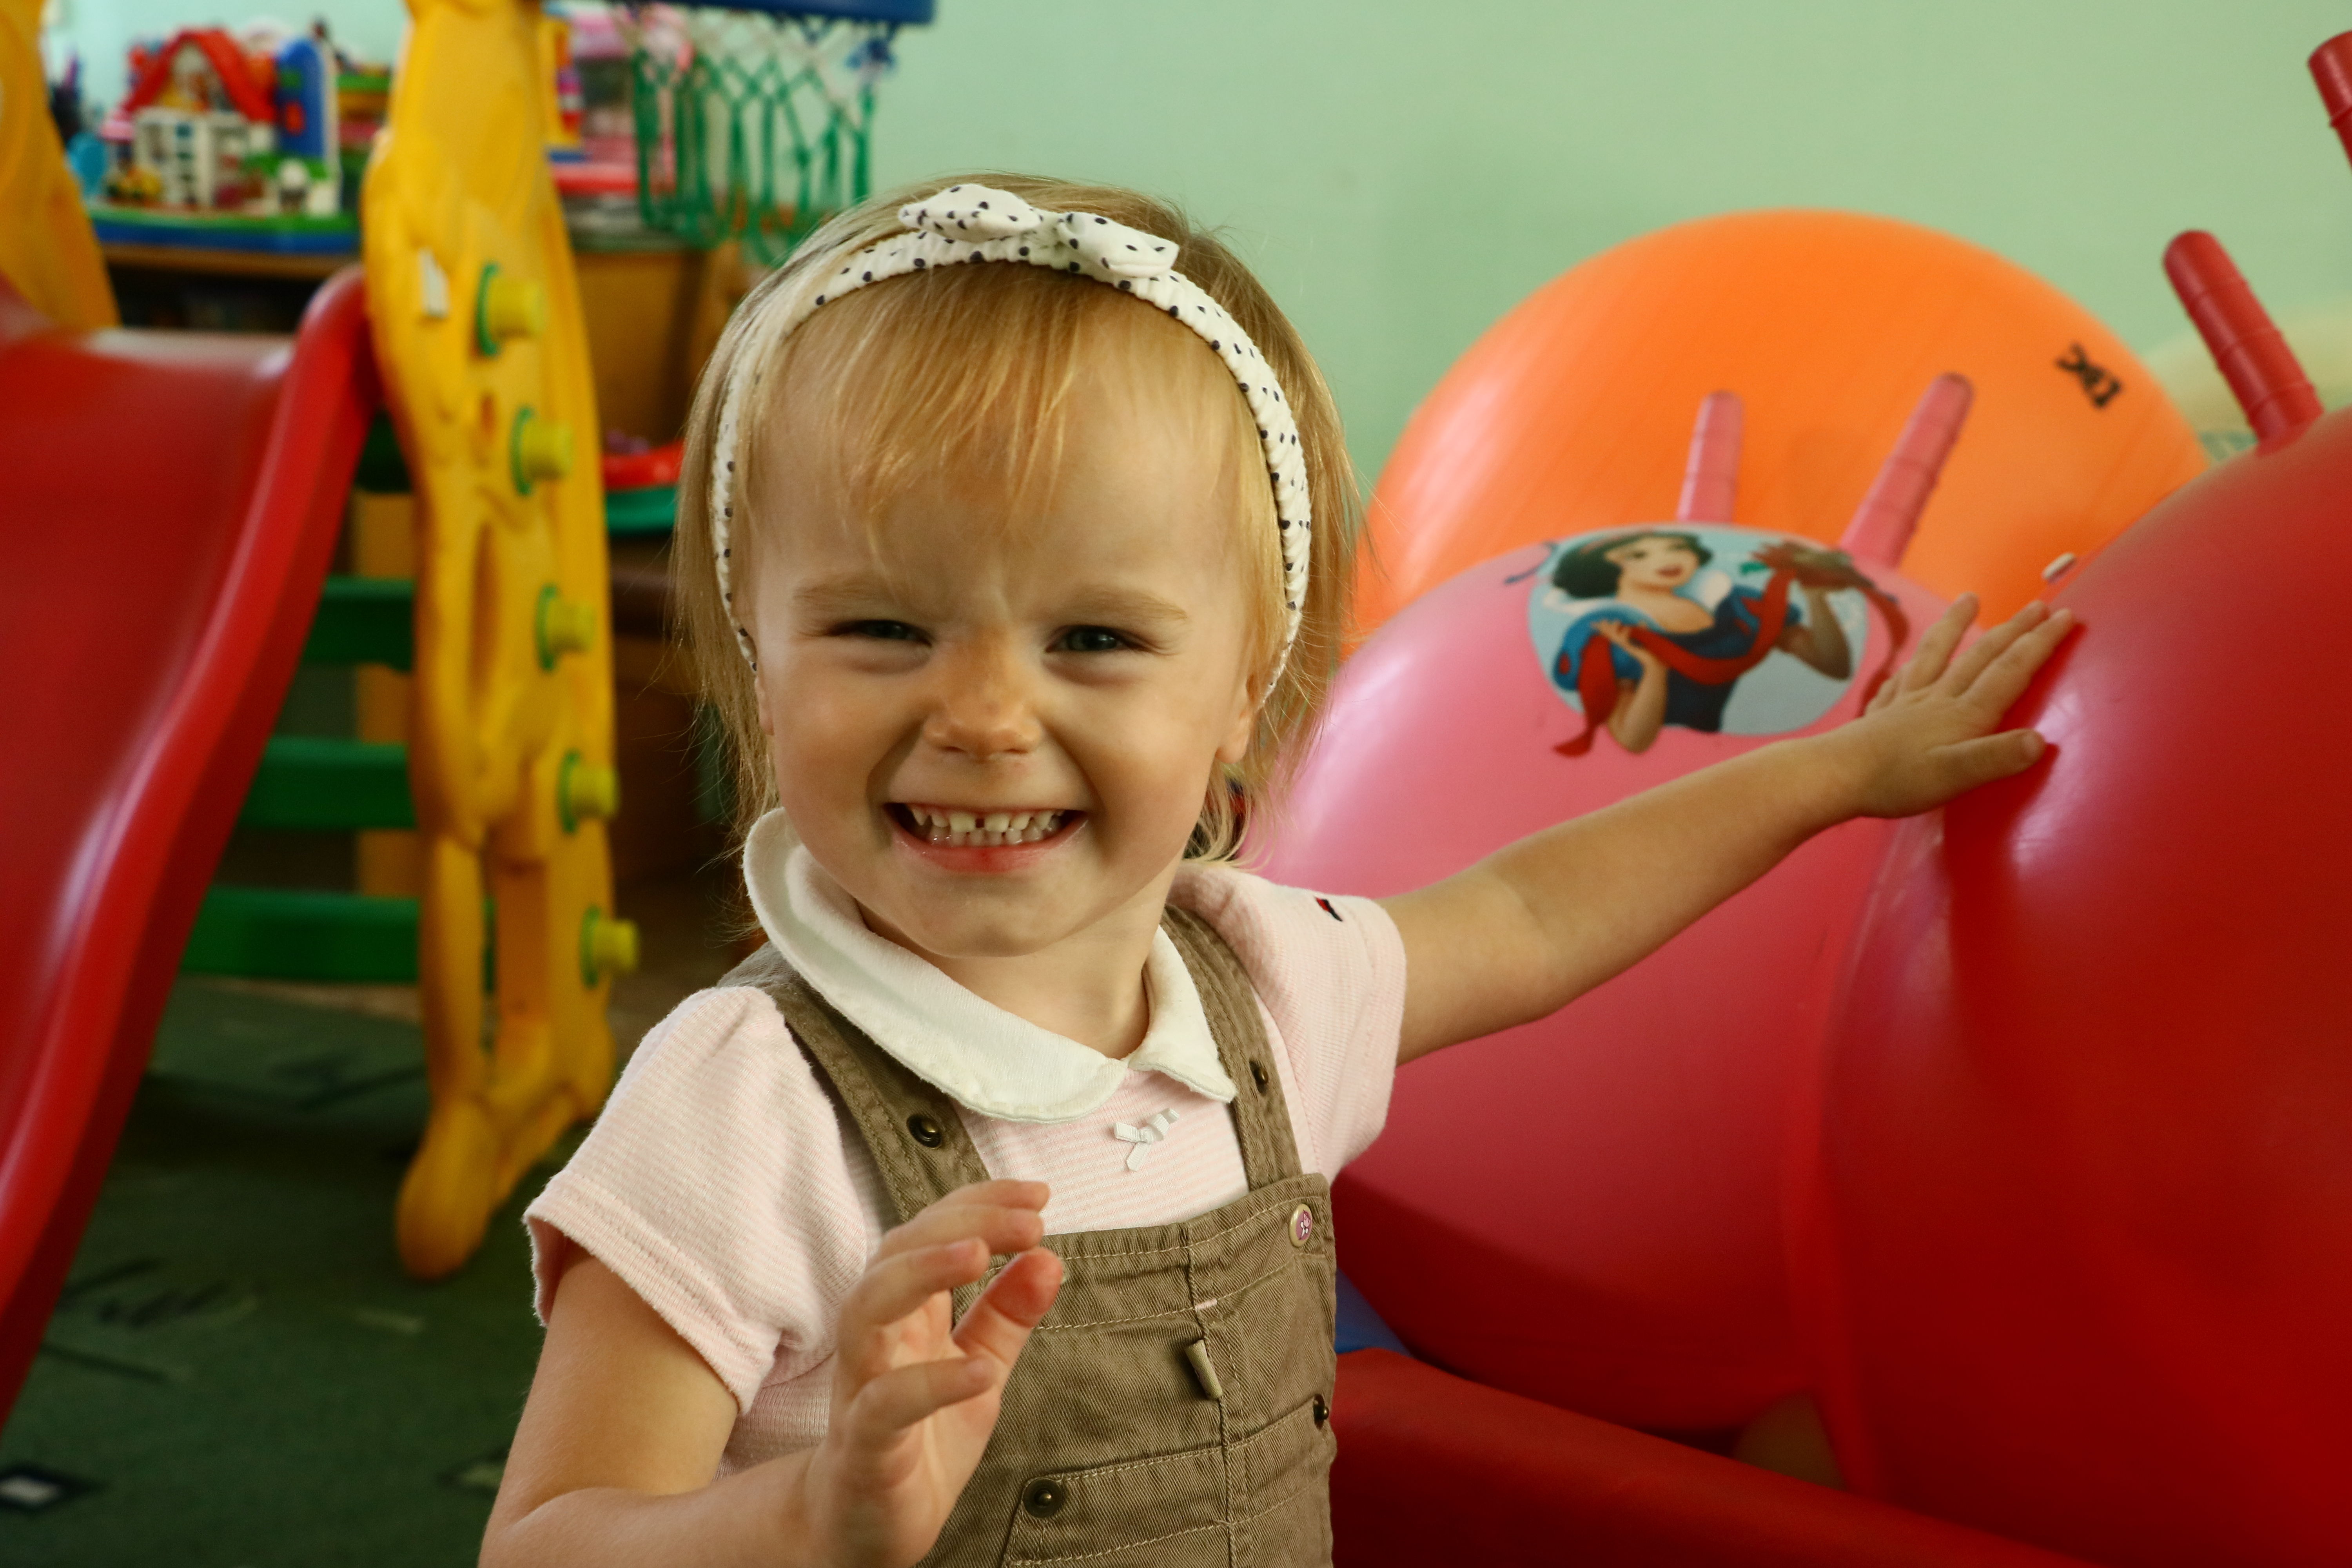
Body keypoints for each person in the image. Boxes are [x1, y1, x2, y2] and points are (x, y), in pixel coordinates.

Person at [479, 176, 2073, 1568]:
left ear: (1243, 692)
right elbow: (547, 1538)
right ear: (761, 665)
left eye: (1094, 639)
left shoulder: (1267, 983)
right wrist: (806, 1520)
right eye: (882, 627)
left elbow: (1534, 913)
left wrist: (1843, 772)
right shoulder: (746, 1098)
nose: (982, 717)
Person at [1545, 530, 1862, 755]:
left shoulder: (1736, 605)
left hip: (1733, 759)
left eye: (1677, 547)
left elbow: (1832, 665)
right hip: (1659, 780)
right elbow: (1634, 741)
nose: (1667, 558)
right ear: (1603, 569)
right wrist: (1654, 669)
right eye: (1637, 555)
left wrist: (1815, 597)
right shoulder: (1609, 630)